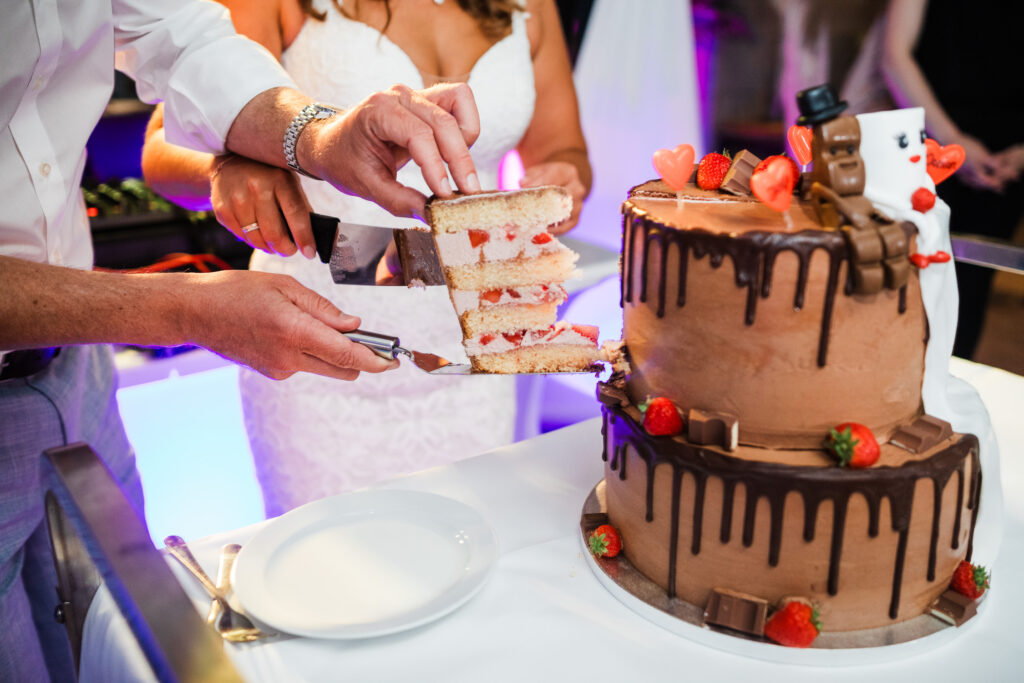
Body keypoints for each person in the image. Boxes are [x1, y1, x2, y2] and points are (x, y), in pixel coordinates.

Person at [1, 1, 485, 678]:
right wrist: (185, 309)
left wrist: (321, 137)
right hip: (298, 358)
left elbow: (187, 37)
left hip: (81, 380)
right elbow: (166, 145)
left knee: (128, 650)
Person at [141, 0, 592, 515]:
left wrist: (562, 180)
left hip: (472, 350)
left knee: (473, 550)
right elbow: (162, 147)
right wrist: (225, 167)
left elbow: (564, 150)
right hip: (321, 345)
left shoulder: (531, 7)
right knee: (329, 570)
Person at [881, 0, 1024, 358]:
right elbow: (894, 55)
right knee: (903, 283)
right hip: (927, 141)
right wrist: (950, 139)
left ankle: (943, 403)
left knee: (969, 292)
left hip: (1007, 159)